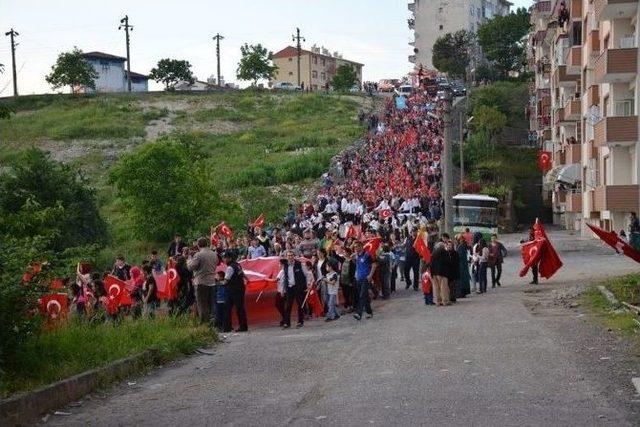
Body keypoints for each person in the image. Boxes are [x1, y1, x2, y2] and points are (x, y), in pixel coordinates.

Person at [276, 251, 313, 328]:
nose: (290, 257)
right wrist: (282, 290)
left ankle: (300, 322)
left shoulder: (300, 264)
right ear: (286, 257)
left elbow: (308, 274)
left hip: (299, 287)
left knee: (300, 305)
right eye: (288, 256)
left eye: (291, 255)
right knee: (288, 306)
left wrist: (308, 284)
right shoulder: (285, 266)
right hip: (289, 288)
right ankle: (287, 323)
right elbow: (283, 278)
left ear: (294, 256)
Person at [187, 237, 219, 325]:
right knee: (211, 304)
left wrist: (189, 259)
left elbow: (190, 267)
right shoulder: (214, 254)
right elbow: (216, 264)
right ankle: (213, 322)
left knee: (202, 304)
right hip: (212, 281)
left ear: (198, 245)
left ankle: (204, 323)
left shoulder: (198, 255)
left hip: (201, 282)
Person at [222, 250, 248, 332]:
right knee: (240, 308)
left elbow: (225, 281)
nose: (224, 260)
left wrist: (218, 282)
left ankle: (227, 327)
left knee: (227, 309)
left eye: (225, 258)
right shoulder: (237, 265)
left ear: (229, 258)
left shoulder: (229, 268)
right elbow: (242, 274)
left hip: (232, 290)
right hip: (240, 289)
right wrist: (247, 279)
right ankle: (243, 326)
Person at [353, 241, 376, 320]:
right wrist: (356, 274)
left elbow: (374, 265)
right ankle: (369, 312)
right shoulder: (357, 256)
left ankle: (359, 313)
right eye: (354, 247)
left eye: (356, 246)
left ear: (361, 247)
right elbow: (358, 266)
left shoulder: (367, 255)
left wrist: (370, 275)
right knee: (365, 296)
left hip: (365, 279)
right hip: (358, 279)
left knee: (362, 295)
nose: (355, 248)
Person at [430, 241, 450, 306]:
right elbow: (448, 261)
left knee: (436, 288)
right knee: (443, 287)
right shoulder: (445, 252)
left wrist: (431, 272)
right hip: (442, 272)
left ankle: (438, 301)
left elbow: (431, 263)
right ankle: (445, 301)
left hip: (434, 272)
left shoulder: (433, 252)